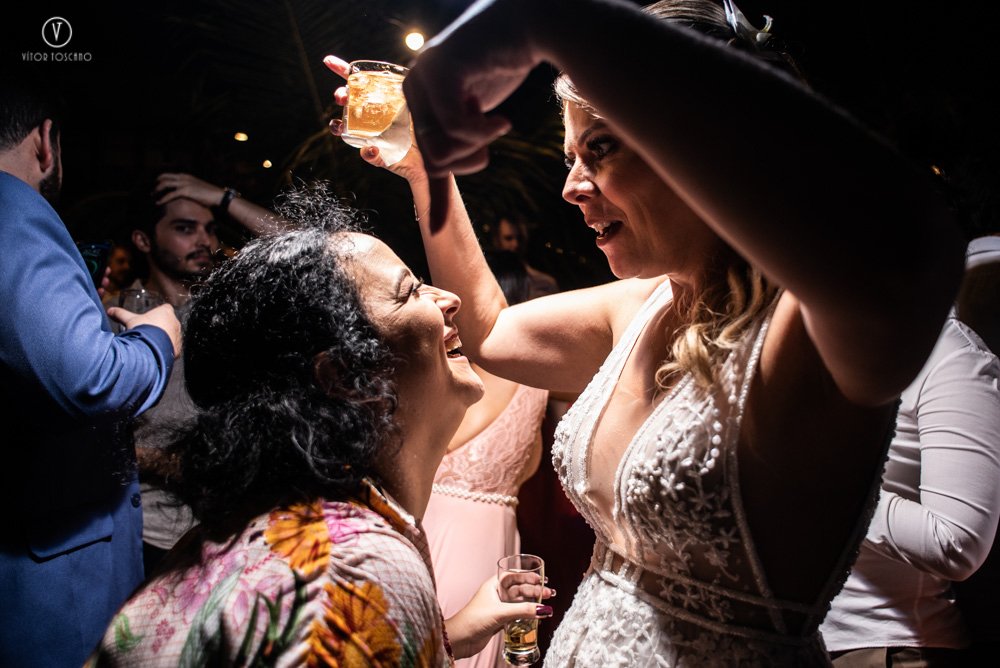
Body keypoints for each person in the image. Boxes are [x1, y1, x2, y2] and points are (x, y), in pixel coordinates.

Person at [327, 0, 964, 664]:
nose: (572, 187)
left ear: (708, 143)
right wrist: (428, 171)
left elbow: (918, 249)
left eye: (600, 149)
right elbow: (489, 331)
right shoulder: (642, 307)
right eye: (572, 156)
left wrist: (548, 23)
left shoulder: (807, 333)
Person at [85, 186, 553, 666]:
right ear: (344, 377)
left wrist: (445, 640)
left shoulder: (286, 529)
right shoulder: (353, 576)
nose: (449, 299)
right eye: (410, 291)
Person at [0, 78, 181, 667]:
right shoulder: (14, 212)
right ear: (45, 140)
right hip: (48, 586)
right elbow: (90, 379)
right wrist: (158, 336)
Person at [125, 171, 292, 573]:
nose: (204, 241)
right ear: (143, 240)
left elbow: (309, 250)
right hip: (146, 537)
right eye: (185, 228)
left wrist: (223, 197)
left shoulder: (229, 313)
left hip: (232, 534)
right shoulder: (115, 315)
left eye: (210, 229)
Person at [820, 314, 1000, 666]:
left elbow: (955, 542)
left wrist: (818, 484)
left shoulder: (944, 349)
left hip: (878, 647)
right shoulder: (770, 339)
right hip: (763, 642)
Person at [424, 249, 549, 668]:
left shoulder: (421, 372)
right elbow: (530, 466)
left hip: (414, 540)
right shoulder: (535, 379)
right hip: (485, 551)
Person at [491, 216, 560, 299]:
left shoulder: (545, 284)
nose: (515, 244)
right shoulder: (488, 283)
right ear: (496, 240)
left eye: (520, 238)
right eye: (508, 238)